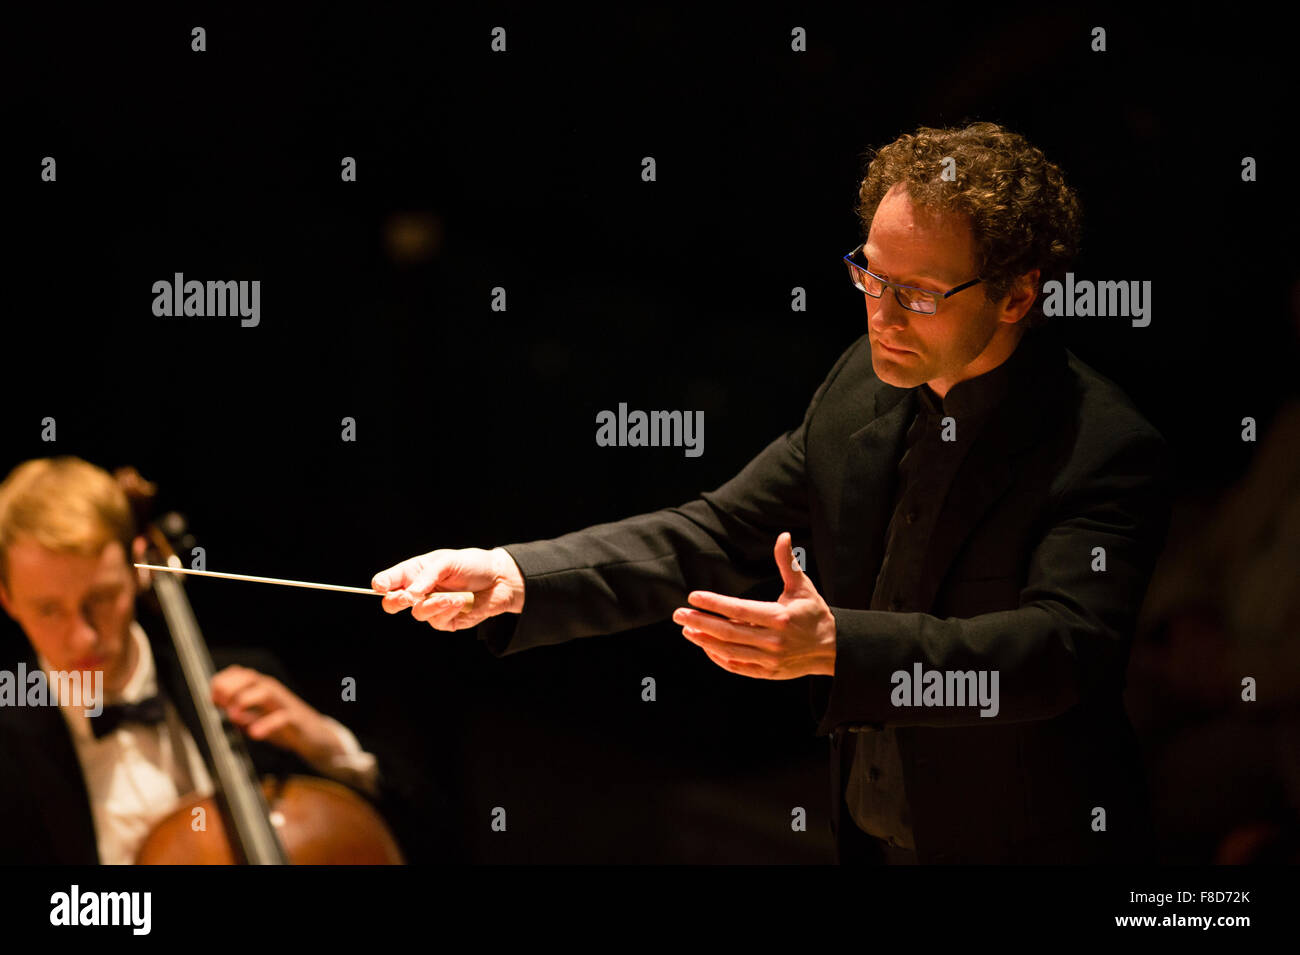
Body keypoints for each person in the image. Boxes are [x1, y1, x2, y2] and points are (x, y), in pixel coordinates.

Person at [372, 121, 1171, 864]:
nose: (881, 316)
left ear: (1016, 297)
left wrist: (836, 648)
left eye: (918, 294)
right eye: (870, 274)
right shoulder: (862, 386)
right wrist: (512, 574)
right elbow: (718, 531)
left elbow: (1063, 650)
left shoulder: (1099, 443)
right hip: (872, 835)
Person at [0, 456, 384, 864]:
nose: (83, 635)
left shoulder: (250, 689)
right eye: (48, 609)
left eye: (102, 597)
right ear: (6, 598)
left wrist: (329, 746)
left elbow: (418, 828)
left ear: (139, 568)